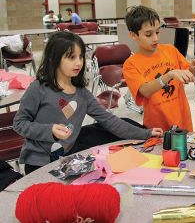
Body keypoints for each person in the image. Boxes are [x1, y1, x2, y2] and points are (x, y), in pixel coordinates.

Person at [13, 31, 162, 174]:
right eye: (71, 57)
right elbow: (19, 124)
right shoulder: (38, 88)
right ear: (54, 58)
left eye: (81, 57)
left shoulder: (82, 94)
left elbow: (110, 121)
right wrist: (49, 130)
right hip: (38, 163)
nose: (78, 63)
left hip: (65, 161)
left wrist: (146, 133)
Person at [123, 5, 195, 132]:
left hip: (182, 120)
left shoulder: (170, 50)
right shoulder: (131, 64)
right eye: (148, 34)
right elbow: (144, 91)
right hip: (157, 127)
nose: (155, 38)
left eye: (157, 32)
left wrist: (193, 67)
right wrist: (168, 75)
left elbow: (187, 76)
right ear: (133, 35)